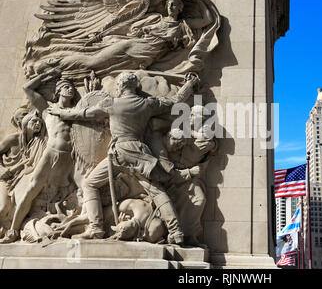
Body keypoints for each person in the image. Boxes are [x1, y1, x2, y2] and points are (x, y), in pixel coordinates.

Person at [48, 72, 198, 244]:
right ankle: (176, 231)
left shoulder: (111, 103)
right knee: (157, 191)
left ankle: (96, 228)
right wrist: (189, 85)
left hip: (118, 154)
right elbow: (176, 101)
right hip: (140, 153)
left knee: (89, 184)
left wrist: (61, 111)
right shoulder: (147, 104)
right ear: (136, 87)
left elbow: (84, 113)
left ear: (119, 86)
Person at [0, 69, 77, 243]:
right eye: (66, 87)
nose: (70, 89)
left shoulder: (77, 110)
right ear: (58, 92)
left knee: (83, 187)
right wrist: (48, 75)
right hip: (51, 153)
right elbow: (27, 88)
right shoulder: (48, 109)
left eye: (72, 87)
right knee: (32, 189)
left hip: (71, 157)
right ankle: (13, 230)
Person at [51, 0, 213, 76]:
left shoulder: (183, 25)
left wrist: (200, 0)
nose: (170, 6)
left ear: (180, 8)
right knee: (93, 61)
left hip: (145, 59)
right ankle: (56, 65)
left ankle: (63, 71)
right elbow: (128, 24)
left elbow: (208, 20)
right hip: (131, 46)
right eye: (169, 3)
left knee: (104, 71)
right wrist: (102, 34)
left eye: (175, 4)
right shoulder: (156, 18)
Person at [0, 111, 47, 238]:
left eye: (40, 123)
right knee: (3, 209)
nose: (38, 124)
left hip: (21, 178)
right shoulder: (13, 139)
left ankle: (12, 230)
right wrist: (13, 168)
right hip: (5, 178)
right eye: (34, 121)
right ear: (26, 123)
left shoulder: (38, 142)